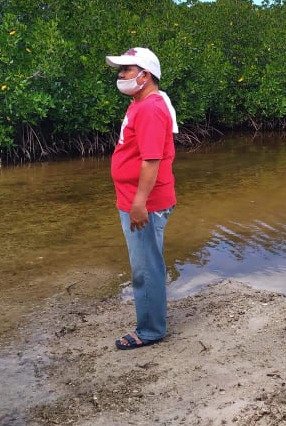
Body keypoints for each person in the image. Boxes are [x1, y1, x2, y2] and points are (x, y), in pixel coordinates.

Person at [106, 47, 178, 351]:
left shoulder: (150, 108)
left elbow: (152, 160)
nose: (120, 76)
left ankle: (150, 330)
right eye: (120, 70)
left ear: (144, 75)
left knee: (146, 266)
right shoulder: (143, 102)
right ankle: (152, 319)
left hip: (145, 203)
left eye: (126, 70)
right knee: (148, 262)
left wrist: (139, 204)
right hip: (136, 198)